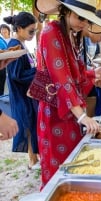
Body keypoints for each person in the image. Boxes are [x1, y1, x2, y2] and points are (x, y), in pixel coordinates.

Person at [35, 0, 101, 188]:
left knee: (73, 162)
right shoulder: (51, 31)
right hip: (54, 111)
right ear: (65, 11)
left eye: (87, 20)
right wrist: (82, 117)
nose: (84, 24)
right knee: (57, 168)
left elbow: (75, 74)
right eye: (81, 18)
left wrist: (92, 74)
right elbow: (61, 78)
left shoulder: (70, 34)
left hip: (70, 108)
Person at [4, 12, 40, 170]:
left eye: (35, 31)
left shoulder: (22, 43)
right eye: (31, 31)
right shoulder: (15, 45)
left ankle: (34, 158)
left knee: (31, 123)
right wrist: (38, 71)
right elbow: (16, 75)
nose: (33, 34)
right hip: (21, 94)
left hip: (27, 93)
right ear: (19, 28)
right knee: (27, 125)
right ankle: (32, 160)